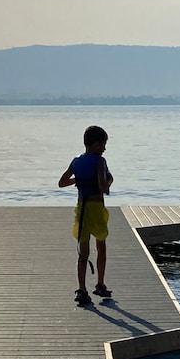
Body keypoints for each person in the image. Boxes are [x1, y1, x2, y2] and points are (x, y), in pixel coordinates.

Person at [59, 124, 113, 306]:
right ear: (95, 144)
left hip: (81, 209)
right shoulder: (100, 161)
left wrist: (79, 179)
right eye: (103, 144)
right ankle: (100, 284)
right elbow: (103, 187)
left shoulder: (76, 161)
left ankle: (82, 289)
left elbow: (62, 182)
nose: (104, 148)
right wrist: (110, 179)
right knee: (101, 247)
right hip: (96, 209)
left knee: (83, 252)